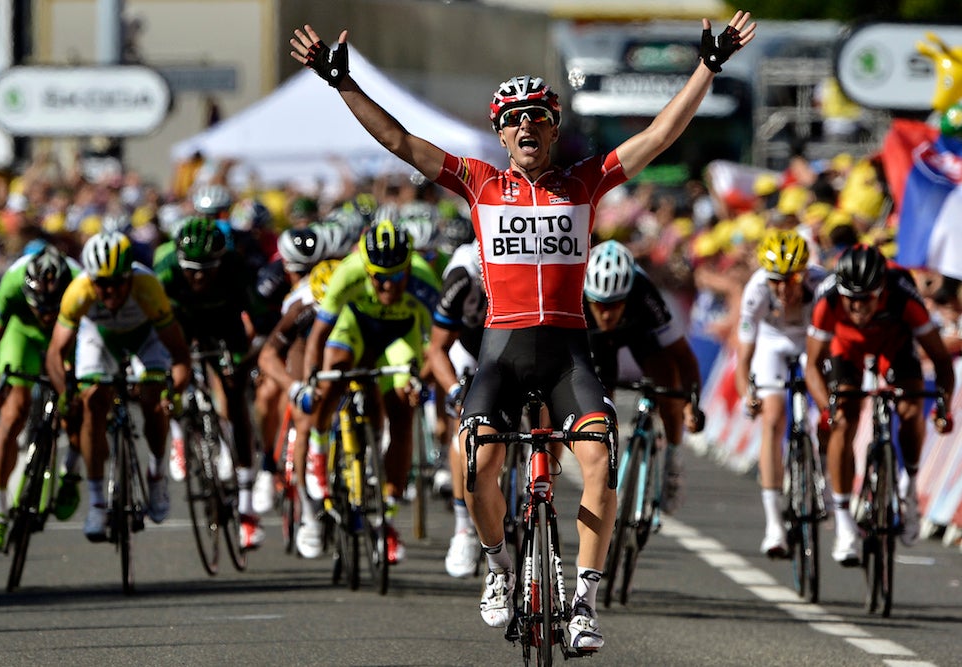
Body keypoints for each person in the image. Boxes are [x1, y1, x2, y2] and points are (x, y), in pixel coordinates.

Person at [289, 10, 754, 651]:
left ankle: (585, 600)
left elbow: (659, 135)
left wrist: (708, 65)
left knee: (598, 458)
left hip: (567, 352)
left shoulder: (584, 182)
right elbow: (400, 142)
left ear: (554, 129)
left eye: (538, 116)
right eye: (513, 119)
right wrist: (340, 82)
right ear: (501, 136)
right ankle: (500, 568)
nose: (525, 125)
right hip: (502, 352)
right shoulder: (480, 184)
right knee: (476, 459)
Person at [293, 220, 440, 564]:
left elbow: (438, 347)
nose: (389, 286)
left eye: (396, 276)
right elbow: (318, 336)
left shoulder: (423, 281)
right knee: (332, 374)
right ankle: (319, 447)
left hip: (399, 337)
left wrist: (422, 382)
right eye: (380, 278)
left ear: (408, 267)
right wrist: (310, 381)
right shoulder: (349, 272)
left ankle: (386, 518)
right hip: (356, 326)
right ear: (366, 268)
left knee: (403, 408)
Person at [805, 244, 955, 565]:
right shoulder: (827, 298)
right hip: (846, 349)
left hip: (894, 344)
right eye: (852, 300)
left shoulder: (903, 296)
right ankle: (844, 523)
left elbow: (942, 361)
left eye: (866, 299)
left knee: (911, 408)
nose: (858, 308)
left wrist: (942, 407)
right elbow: (813, 365)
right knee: (843, 420)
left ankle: (909, 489)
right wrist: (827, 408)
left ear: (881, 291)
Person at [45, 231, 191, 542]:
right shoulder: (78, 291)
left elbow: (180, 355)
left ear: (129, 276)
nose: (108, 291)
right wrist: (65, 395)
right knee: (91, 400)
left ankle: (156, 473)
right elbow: (55, 354)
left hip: (145, 335)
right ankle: (97, 501)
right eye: (101, 283)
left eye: (116, 283)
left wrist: (172, 393)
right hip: (99, 336)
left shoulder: (148, 288)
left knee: (153, 399)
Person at [154, 217, 265, 549]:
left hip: (223, 325)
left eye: (207, 268)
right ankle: (179, 433)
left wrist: (245, 359)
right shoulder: (166, 271)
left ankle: (246, 504)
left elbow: (256, 320)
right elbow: (148, 324)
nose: (199, 275)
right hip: (181, 324)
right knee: (167, 381)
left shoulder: (236, 269)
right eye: (192, 269)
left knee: (234, 398)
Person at [582, 240, 704, 515]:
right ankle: (605, 463)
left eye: (615, 304)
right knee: (598, 396)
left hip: (640, 336)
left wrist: (691, 404)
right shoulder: (577, 293)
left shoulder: (643, 293)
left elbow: (683, 356)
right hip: (595, 343)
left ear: (627, 295)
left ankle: (673, 459)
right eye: (600, 304)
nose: (607, 313)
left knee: (668, 386)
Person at [0, 245, 80, 550]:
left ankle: (71, 474)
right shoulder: (12, 283)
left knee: (76, 404)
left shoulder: (78, 282)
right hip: (22, 334)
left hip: (67, 333)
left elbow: (91, 343)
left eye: (51, 308)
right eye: (40, 307)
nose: (46, 315)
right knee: (12, 412)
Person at [733, 229, 827, 558]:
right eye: (777, 280)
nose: (784, 288)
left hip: (812, 341)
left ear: (805, 273)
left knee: (831, 409)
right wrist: (747, 393)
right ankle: (774, 524)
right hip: (773, 343)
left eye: (793, 279)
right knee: (772, 420)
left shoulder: (822, 285)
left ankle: (826, 471)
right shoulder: (756, 290)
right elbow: (743, 357)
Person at [255, 228, 333, 557]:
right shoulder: (290, 295)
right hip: (295, 341)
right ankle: (303, 501)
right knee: (300, 414)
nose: (301, 274)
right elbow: (266, 349)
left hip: (338, 347)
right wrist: (294, 386)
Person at [424, 239, 486, 578]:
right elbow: (437, 349)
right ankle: (463, 527)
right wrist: (453, 390)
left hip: (505, 343)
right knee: (464, 425)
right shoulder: (462, 275)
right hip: (464, 344)